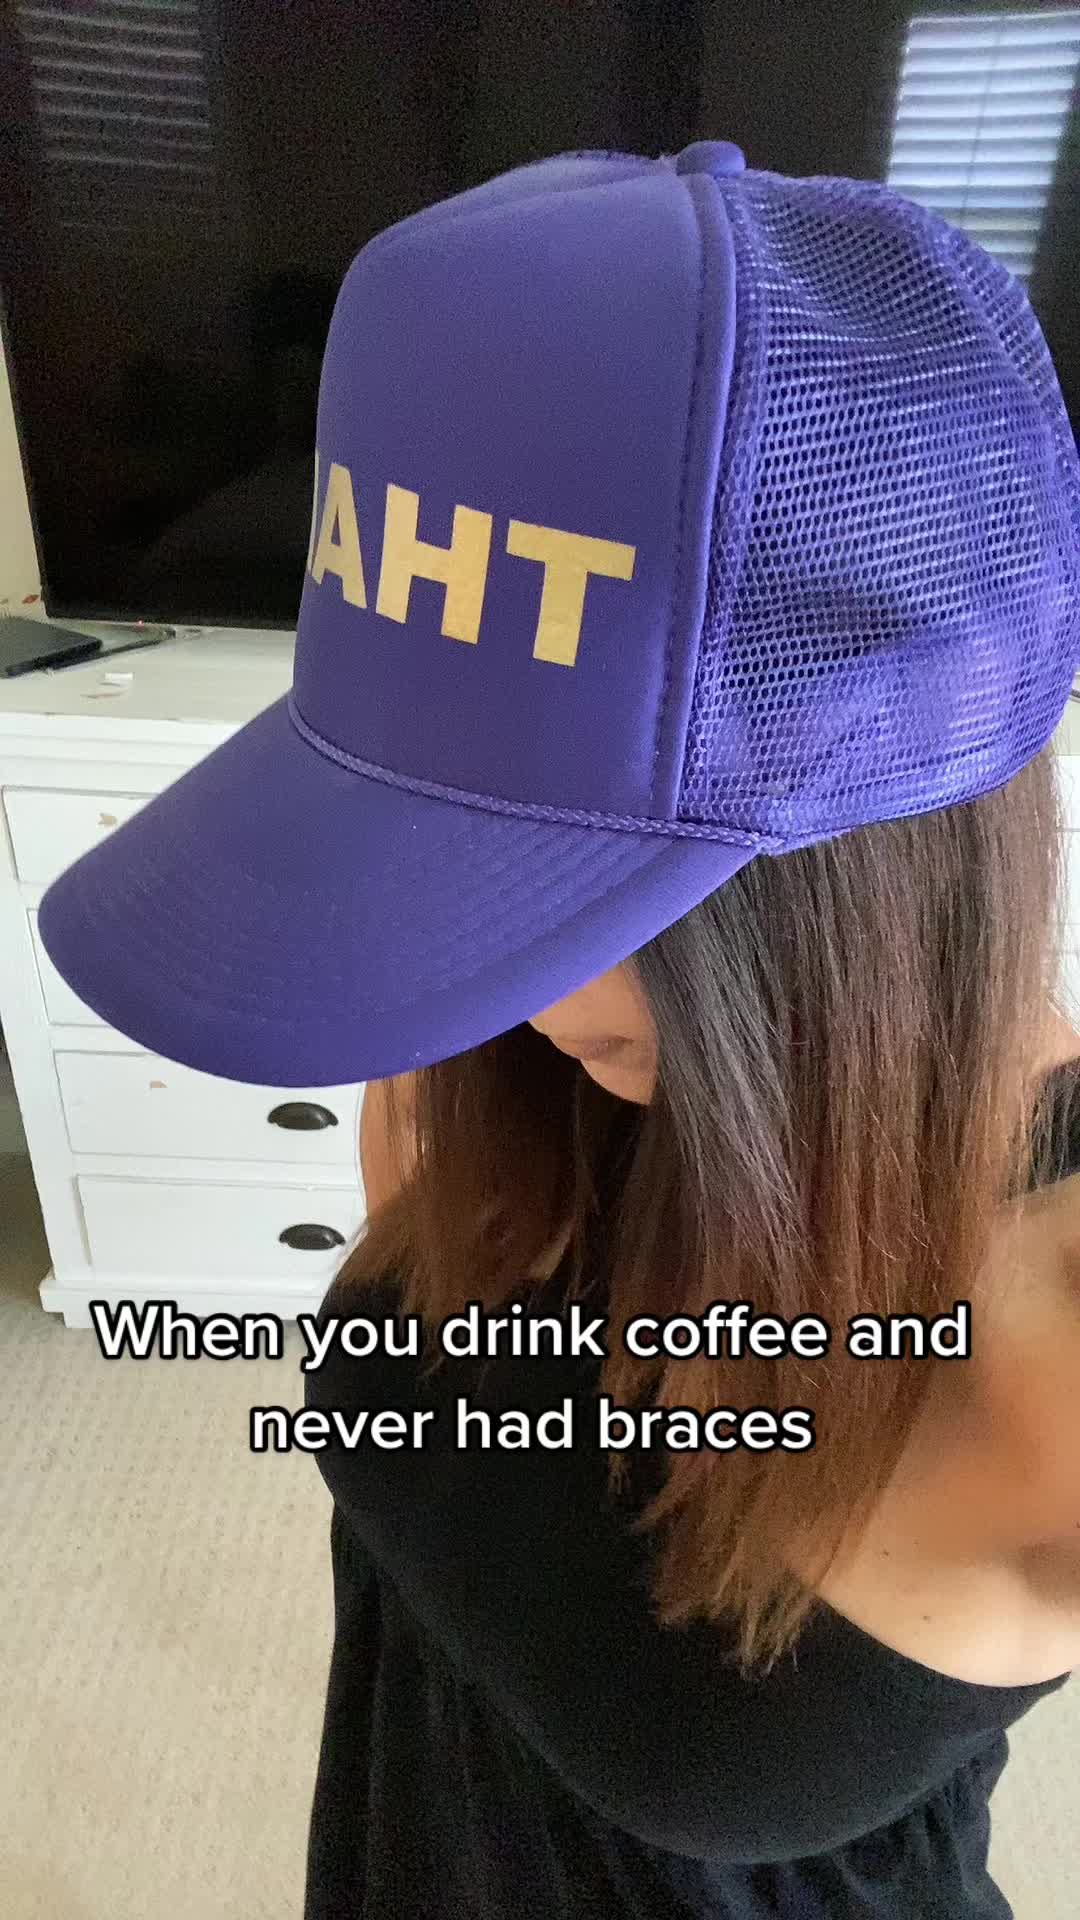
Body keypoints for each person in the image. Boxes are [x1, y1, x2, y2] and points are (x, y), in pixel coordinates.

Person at [37, 142, 1080, 1917]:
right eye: (459, 850)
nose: (514, 1000)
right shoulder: (502, 1041)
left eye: (599, 888)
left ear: (875, 865)